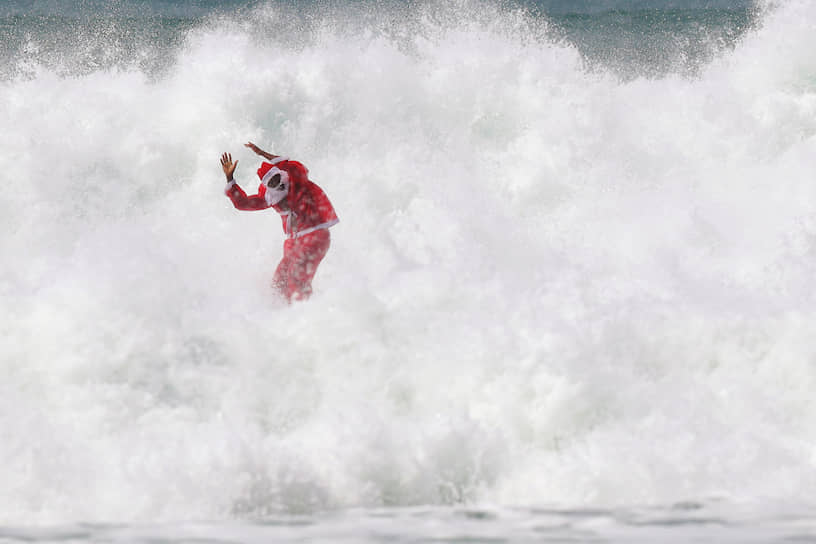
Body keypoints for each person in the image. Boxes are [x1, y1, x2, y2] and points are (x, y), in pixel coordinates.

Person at [220, 142, 338, 302]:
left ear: (281, 174)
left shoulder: (297, 181)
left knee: (297, 279)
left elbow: (291, 167)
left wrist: (263, 153)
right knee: (279, 283)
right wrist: (230, 178)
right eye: (272, 182)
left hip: (315, 235)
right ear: (268, 186)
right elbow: (244, 203)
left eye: (277, 178)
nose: (278, 183)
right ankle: (283, 315)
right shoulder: (272, 198)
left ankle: (307, 312)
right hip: (295, 242)